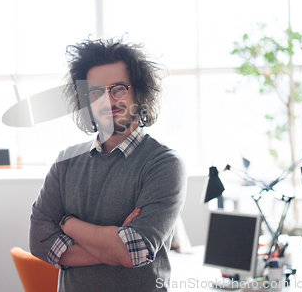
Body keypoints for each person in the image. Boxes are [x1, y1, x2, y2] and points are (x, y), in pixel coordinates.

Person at [29, 37, 187, 292]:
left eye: (119, 88)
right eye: (96, 92)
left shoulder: (165, 164)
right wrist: (112, 246)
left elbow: (131, 252)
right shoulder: (65, 162)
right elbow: (39, 241)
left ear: (139, 91)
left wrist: (69, 224)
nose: (109, 100)